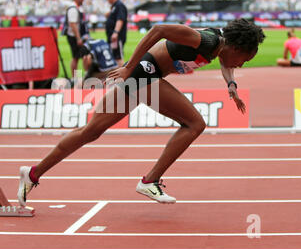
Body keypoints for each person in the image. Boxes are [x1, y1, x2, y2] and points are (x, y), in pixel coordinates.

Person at [18, 19, 265, 205]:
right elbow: (158, 30)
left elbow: (225, 61)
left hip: (141, 77)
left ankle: (32, 173)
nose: (242, 64)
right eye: (245, 58)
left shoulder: (220, 47)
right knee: (194, 124)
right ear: (237, 47)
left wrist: (231, 85)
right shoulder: (206, 40)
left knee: (90, 131)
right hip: (143, 74)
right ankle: (150, 181)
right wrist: (128, 67)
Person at [62, 0, 90, 77]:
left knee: (79, 56)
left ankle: (81, 77)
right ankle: (77, 78)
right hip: (74, 36)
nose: (83, 0)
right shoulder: (73, 9)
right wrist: (78, 38)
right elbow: (73, 24)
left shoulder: (77, 8)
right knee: (76, 57)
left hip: (77, 36)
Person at [105, 0, 128, 67]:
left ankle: (123, 77)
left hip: (117, 36)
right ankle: (117, 77)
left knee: (118, 57)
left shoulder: (119, 5)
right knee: (114, 56)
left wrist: (116, 32)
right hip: (113, 36)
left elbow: (120, 19)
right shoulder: (115, 6)